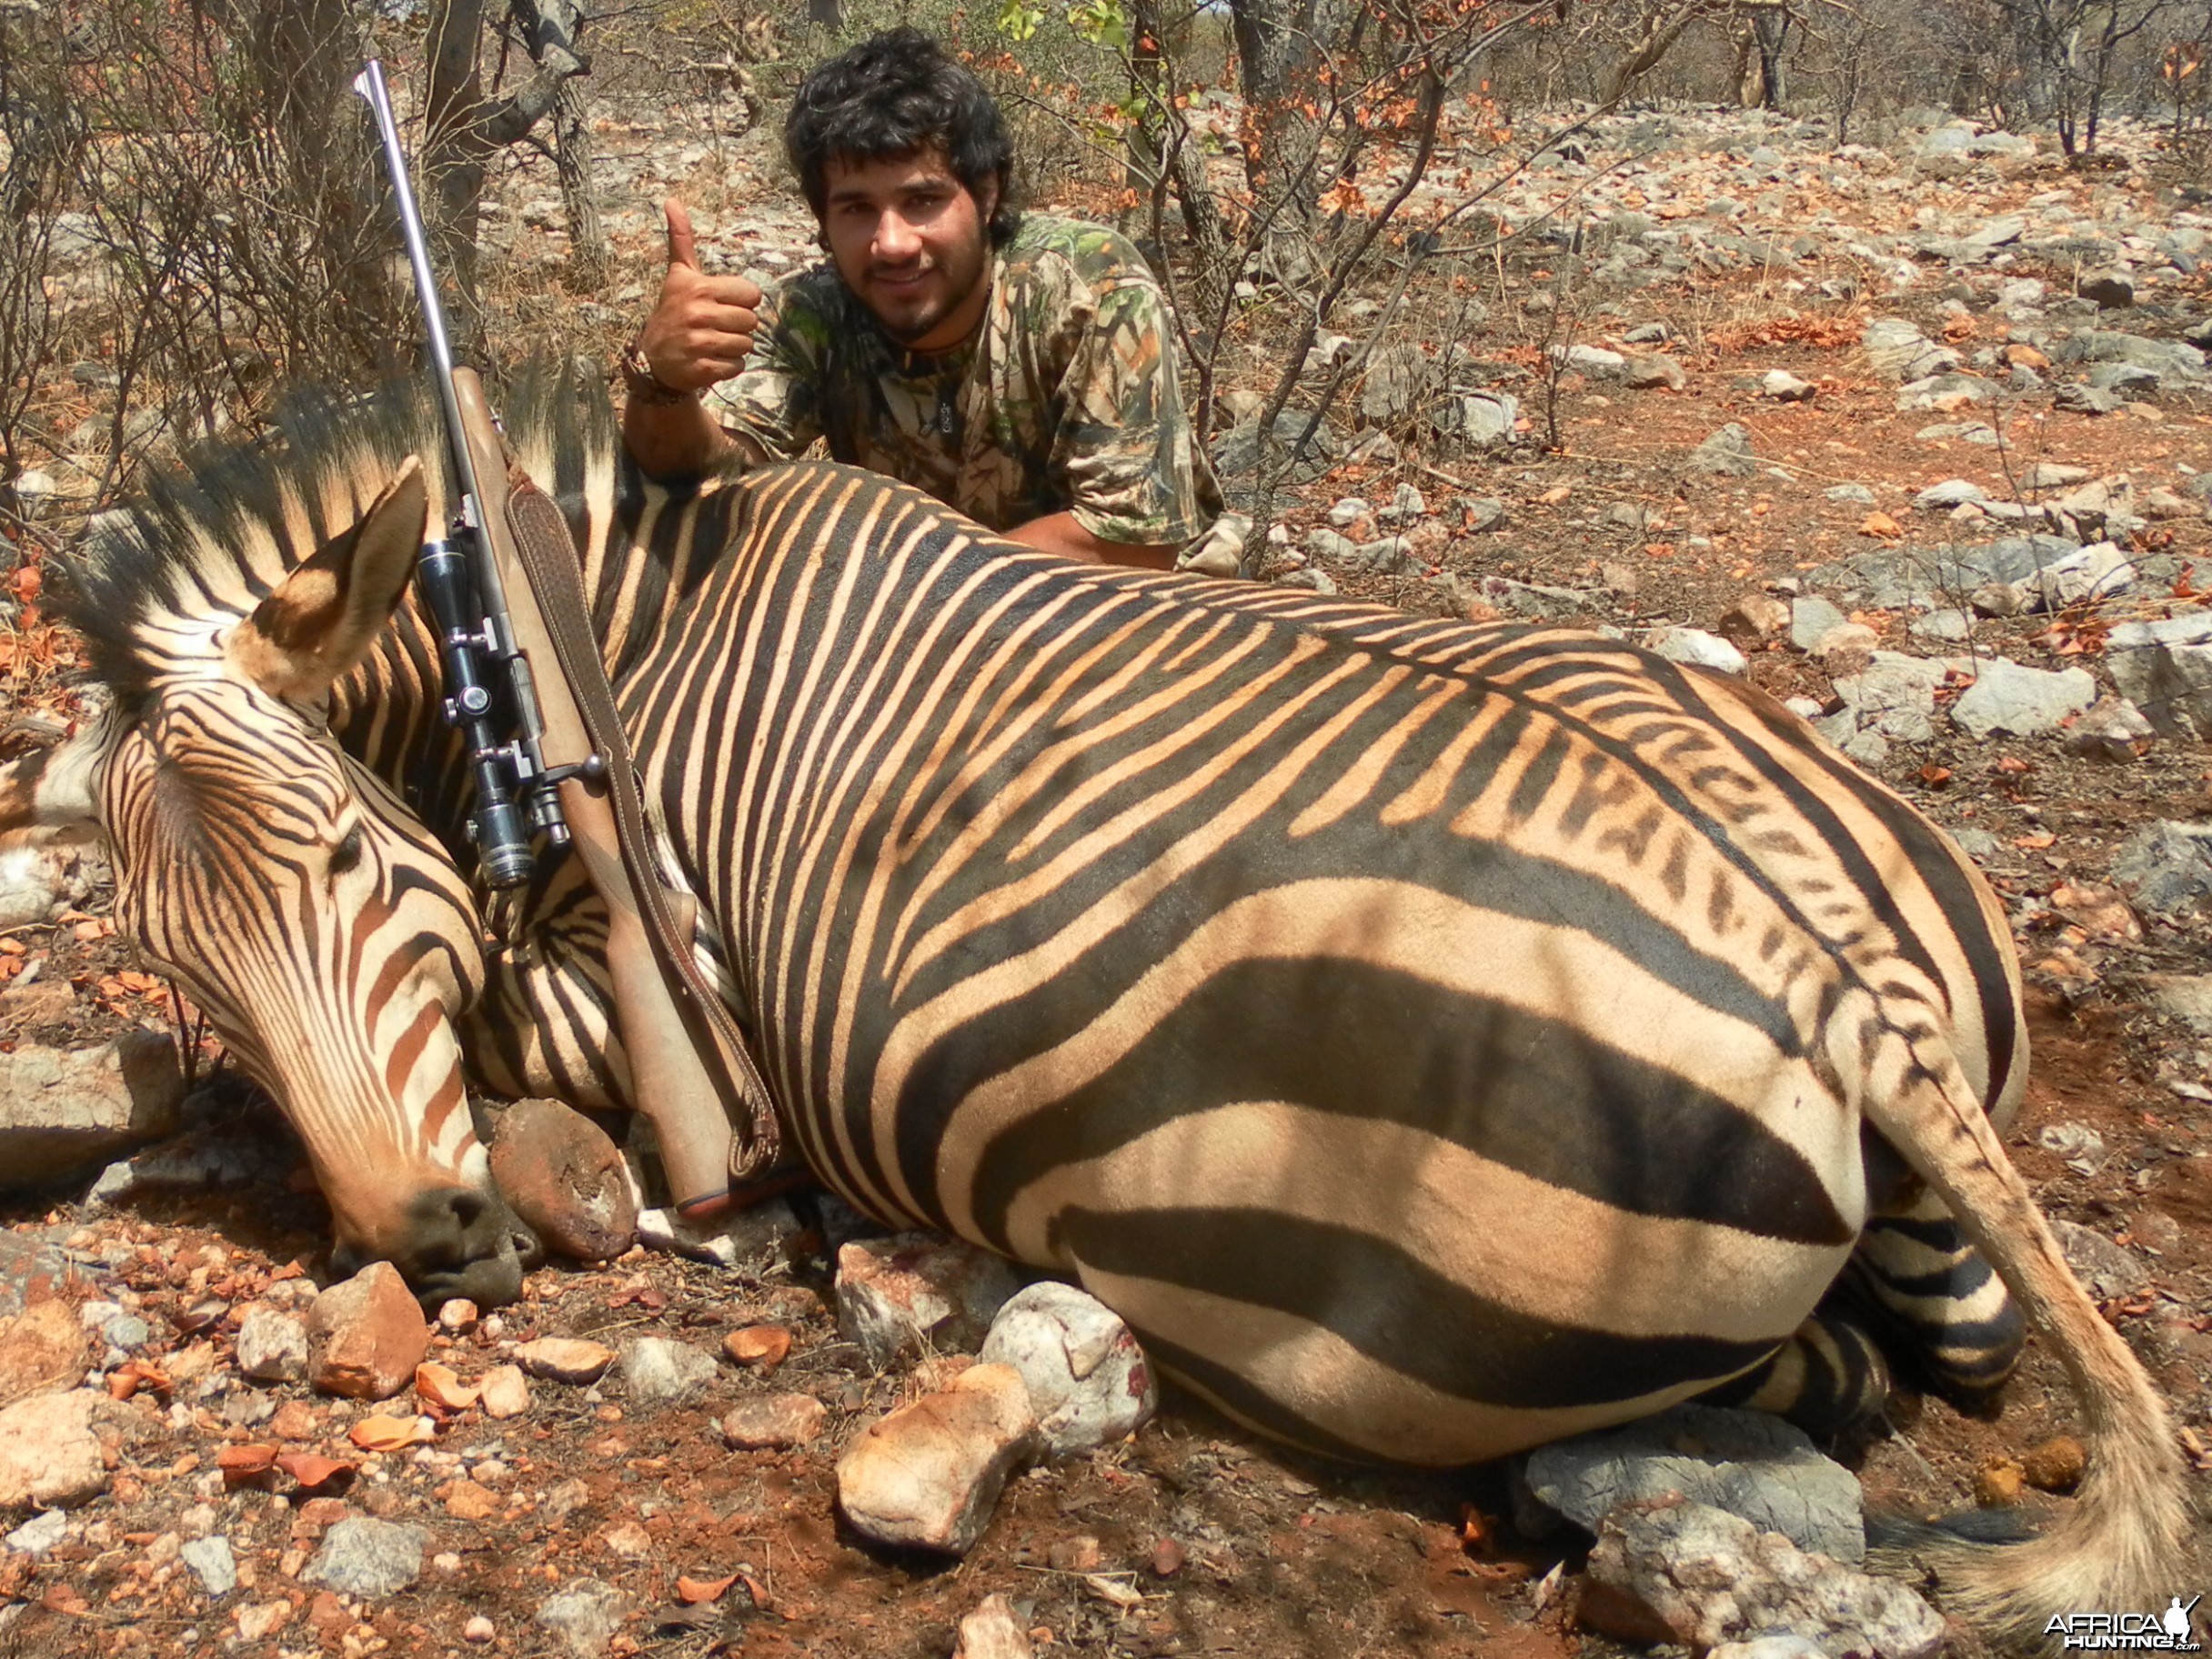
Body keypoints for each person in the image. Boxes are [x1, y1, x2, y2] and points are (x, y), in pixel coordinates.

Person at [619, 26, 1241, 572]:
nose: (892, 243)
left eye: (922, 201)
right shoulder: (808, 316)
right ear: (823, 221)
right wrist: (662, 386)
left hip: (1124, 621)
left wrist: (897, 585)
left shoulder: (1089, 288)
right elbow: (705, 474)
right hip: (926, 632)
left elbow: (1133, 546)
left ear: (988, 193)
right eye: (857, 208)